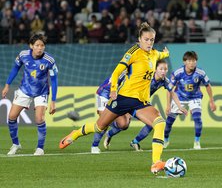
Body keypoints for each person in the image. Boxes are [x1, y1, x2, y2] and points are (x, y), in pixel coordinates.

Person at [59, 22, 169, 175]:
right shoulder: (133, 52)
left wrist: (166, 53)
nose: (149, 42)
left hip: (140, 102)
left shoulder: (154, 54)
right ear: (139, 39)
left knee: (160, 122)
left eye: (152, 39)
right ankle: (75, 133)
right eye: (146, 39)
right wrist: (113, 90)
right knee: (99, 127)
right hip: (123, 98)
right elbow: (117, 72)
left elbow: (161, 54)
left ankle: (156, 162)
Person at [95, 59, 187, 152]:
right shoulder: (146, 77)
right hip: (129, 99)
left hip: (141, 104)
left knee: (153, 122)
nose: (163, 71)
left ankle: (134, 141)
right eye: (161, 69)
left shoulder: (164, 81)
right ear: (155, 69)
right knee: (123, 124)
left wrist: (179, 106)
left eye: (165, 69)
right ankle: (106, 136)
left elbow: (172, 91)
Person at [1, 34, 58, 155]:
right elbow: (15, 69)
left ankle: (40, 148)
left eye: (42, 45)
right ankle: (16, 144)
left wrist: (53, 101)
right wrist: (7, 85)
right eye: (37, 45)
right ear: (31, 46)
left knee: (39, 118)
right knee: (11, 117)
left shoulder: (49, 60)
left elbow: (54, 80)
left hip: (41, 92)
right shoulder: (23, 55)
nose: (40, 48)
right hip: (25, 90)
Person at [163, 51, 216, 150]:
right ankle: (165, 140)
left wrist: (211, 101)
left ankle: (197, 141)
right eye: (190, 61)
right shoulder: (178, 72)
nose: (192, 63)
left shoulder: (200, 73)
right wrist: (168, 105)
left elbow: (208, 85)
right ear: (184, 62)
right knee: (169, 122)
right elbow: (169, 89)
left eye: (194, 61)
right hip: (179, 97)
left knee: (197, 118)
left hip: (195, 97)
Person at [91, 71, 131, 154]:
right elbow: (115, 83)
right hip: (104, 94)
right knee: (103, 123)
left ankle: (109, 134)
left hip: (117, 96)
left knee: (124, 124)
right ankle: (94, 146)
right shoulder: (126, 72)